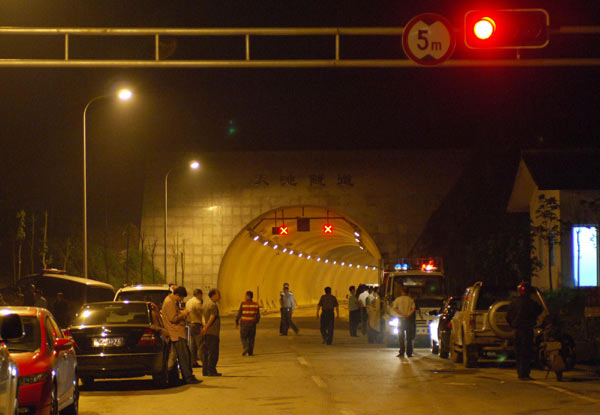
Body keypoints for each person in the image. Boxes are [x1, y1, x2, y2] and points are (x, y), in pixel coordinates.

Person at [161, 286, 201, 384]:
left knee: (184, 355)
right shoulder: (169, 302)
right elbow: (173, 319)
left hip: (177, 332)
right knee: (184, 356)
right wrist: (184, 314)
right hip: (176, 333)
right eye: (181, 297)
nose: (181, 300)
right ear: (177, 295)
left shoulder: (171, 301)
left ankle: (188, 376)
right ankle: (188, 377)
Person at [506, 281, 543, 380]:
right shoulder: (531, 303)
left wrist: (512, 324)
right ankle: (525, 373)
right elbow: (540, 309)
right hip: (526, 330)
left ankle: (521, 373)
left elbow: (508, 316)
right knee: (526, 352)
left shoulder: (514, 302)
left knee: (519, 352)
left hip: (518, 330)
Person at [202, 289, 222, 376]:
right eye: (218, 294)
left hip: (206, 332)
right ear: (214, 295)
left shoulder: (205, 304)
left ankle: (205, 370)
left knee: (206, 352)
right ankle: (212, 370)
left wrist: (204, 326)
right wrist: (206, 327)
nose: (220, 296)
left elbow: (202, 316)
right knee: (213, 352)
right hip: (213, 332)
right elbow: (212, 317)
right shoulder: (213, 305)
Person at [235, 291, 261, 356]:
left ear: (248, 296)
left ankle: (246, 347)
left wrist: (237, 321)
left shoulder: (243, 304)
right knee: (251, 338)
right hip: (252, 323)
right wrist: (255, 321)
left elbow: (239, 313)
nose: (245, 297)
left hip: (244, 323)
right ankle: (250, 352)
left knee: (243, 337)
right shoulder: (256, 304)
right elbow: (258, 315)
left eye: (246, 295)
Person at [392, 287, 415, 357]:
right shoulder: (411, 300)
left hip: (400, 319)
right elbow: (413, 309)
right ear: (408, 293)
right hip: (408, 319)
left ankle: (402, 352)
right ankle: (409, 353)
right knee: (409, 337)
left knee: (401, 336)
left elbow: (395, 308)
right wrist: (407, 315)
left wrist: (402, 314)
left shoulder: (397, 299)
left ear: (402, 292)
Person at [186, 289, 204, 368]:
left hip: (190, 324)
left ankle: (193, 361)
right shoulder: (197, 302)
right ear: (199, 295)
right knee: (200, 344)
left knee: (193, 345)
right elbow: (201, 314)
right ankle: (204, 361)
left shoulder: (189, 302)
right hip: (197, 324)